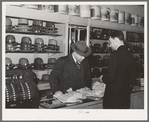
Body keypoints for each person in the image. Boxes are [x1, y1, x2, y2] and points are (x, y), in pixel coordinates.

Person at [100, 30, 136, 109]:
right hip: (125, 98)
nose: (109, 45)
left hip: (113, 99)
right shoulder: (130, 55)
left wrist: (103, 78)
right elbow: (132, 77)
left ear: (116, 40)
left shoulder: (115, 55)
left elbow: (111, 77)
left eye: (110, 42)